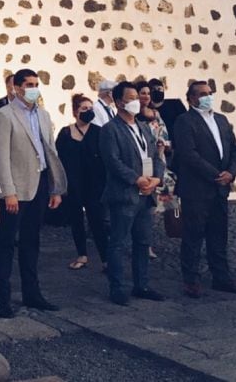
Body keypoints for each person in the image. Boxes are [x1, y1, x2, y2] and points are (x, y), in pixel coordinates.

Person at [0, 68, 67, 317]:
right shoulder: (4, 115)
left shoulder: (43, 115)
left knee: (31, 241)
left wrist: (55, 188)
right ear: (16, 87)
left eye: (36, 83)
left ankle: (32, 293)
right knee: (6, 242)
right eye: (29, 84)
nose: (34, 88)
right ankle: (3, 298)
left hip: (40, 184)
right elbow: (1, 157)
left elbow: (50, 151)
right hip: (16, 187)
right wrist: (8, 192)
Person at [172, 80, 236, 298]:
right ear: (192, 98)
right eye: (203, 94)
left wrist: (231, 172)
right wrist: (215, 174)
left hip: (220, 188)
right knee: (193, 235)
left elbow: (234, 148)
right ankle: (191, 280)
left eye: (210, 93)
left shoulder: (221, 120)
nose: (207, 96)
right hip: (197, 189)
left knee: (218, 234)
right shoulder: (184, 121)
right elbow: (188, 154)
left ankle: (221, 277)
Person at [101, 82, 166, 305]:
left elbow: (156, 156)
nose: (136, 101)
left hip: (146, 194)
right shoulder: (111, 129)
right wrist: (136, 179)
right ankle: (117, 288)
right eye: (131, 98)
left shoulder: (144, 127)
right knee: (118, 242)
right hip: (125, 193)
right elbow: (113, 161)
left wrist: (156, 178)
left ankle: (142, 284)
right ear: (119, 101)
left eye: (137, 97)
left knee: (143, 241)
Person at [55, 94, 108, 272]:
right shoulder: (65, 133)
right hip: (73, 184)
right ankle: (82, 255)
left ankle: (105, 259)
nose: (88, 112)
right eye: (84, 109)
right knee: (76, 220)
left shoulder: (99, 132)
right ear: (75, 112)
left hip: (94, 184)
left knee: (97, 221)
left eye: (90, 108)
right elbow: (58, 159)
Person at [137, 81, 171, 260]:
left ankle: (147, 243)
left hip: (157, 163)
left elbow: (165, 136)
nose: (146, 96)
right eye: (142, 93)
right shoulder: (132, 116)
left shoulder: (156, 115)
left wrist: (161, 147)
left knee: (151, 207)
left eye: (148, 93)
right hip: (140, 165)